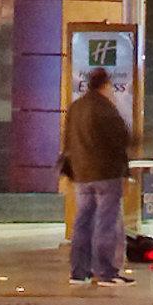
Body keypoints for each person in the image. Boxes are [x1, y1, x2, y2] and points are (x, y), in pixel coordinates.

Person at [60, 69, 136, 284]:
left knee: (83, 222)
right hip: (106, 174)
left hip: (82, 174)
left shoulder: (76, 107)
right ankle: (105, 271)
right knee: (106, 222)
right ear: (105, 85)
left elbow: (68, 141)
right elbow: (122, 139)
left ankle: (78, 271)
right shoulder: (105, 108)